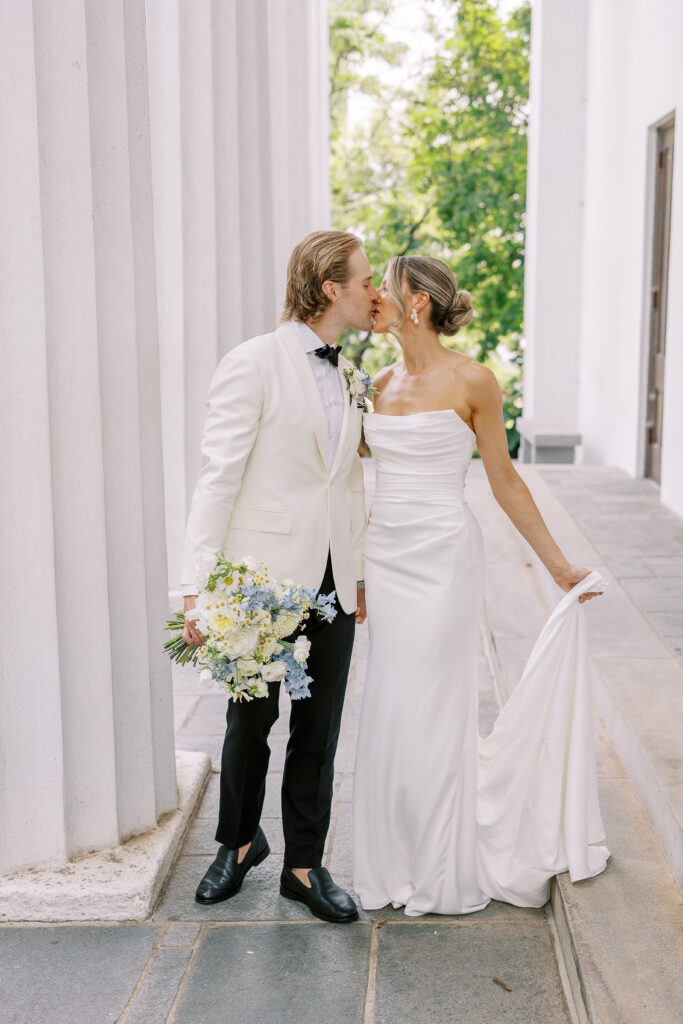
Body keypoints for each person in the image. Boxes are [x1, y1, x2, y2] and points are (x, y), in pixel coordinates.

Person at [352, 254, 609, 916]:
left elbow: (503, 481)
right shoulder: (372, 382)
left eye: (385, 285)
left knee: (434, 702)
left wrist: (557, 566)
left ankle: (441, 864)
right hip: (384, 558)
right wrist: (350, 569)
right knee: (389, 704)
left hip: (442, 558)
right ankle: (397, 856)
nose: (374, 294)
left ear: (417, 302)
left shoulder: (473, 380)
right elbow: (337, 472)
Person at [181, 230, 378, 923]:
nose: (373, 293)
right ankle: (236, 844)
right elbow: (217, 478)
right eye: (364, 282)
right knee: (249, 720)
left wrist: (352, 578)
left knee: (319, 728)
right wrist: (199, 589)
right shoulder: (252, 362)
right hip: (258, 579)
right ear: (331, 289)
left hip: (330, 578)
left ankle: (304, 864)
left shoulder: (351, 374)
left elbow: (347, 484)